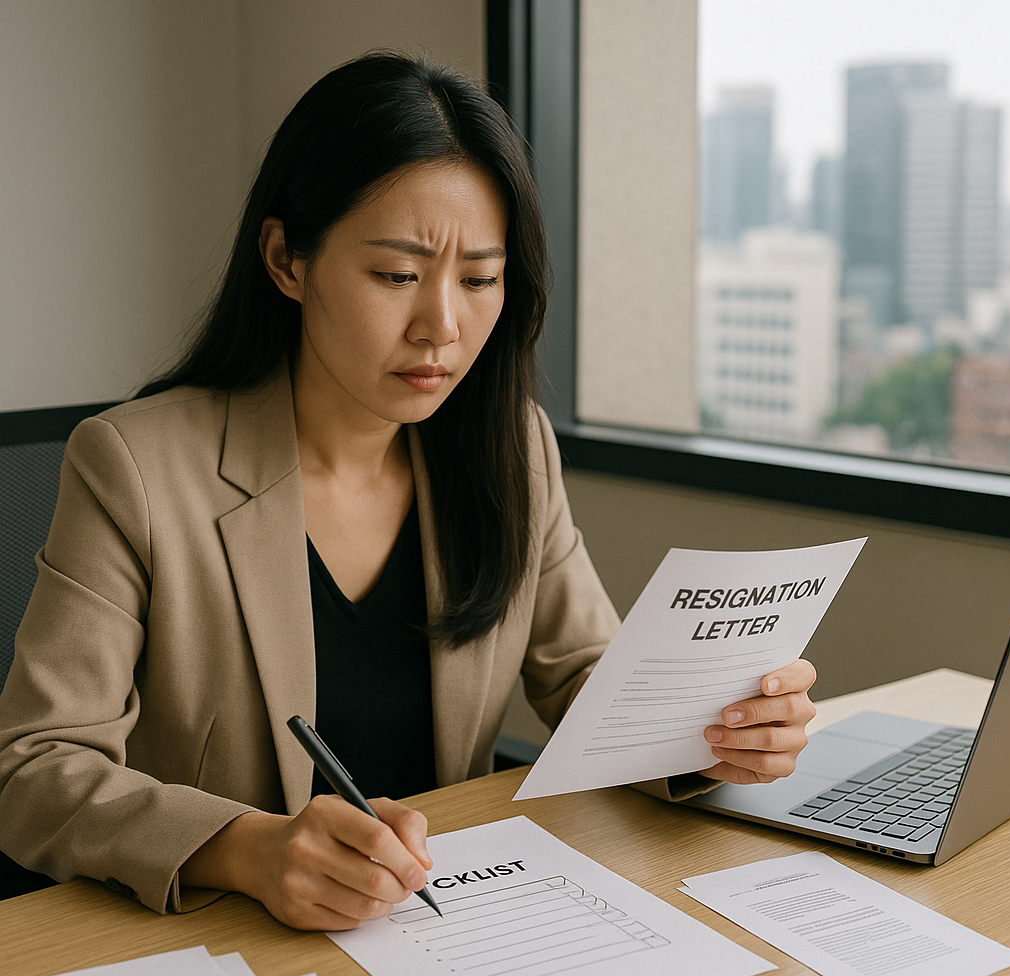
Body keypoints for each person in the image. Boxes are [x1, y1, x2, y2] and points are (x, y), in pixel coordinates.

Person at [0, 52, 815, 930]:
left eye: (479, 279)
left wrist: (709, 734)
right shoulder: (134, 464)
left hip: (441, 926)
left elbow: (586, 674)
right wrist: (250, 848)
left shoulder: (512, 447)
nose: (442, 327)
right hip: (229, 936)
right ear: (286, 260)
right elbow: (34, 767)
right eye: (397, 276)